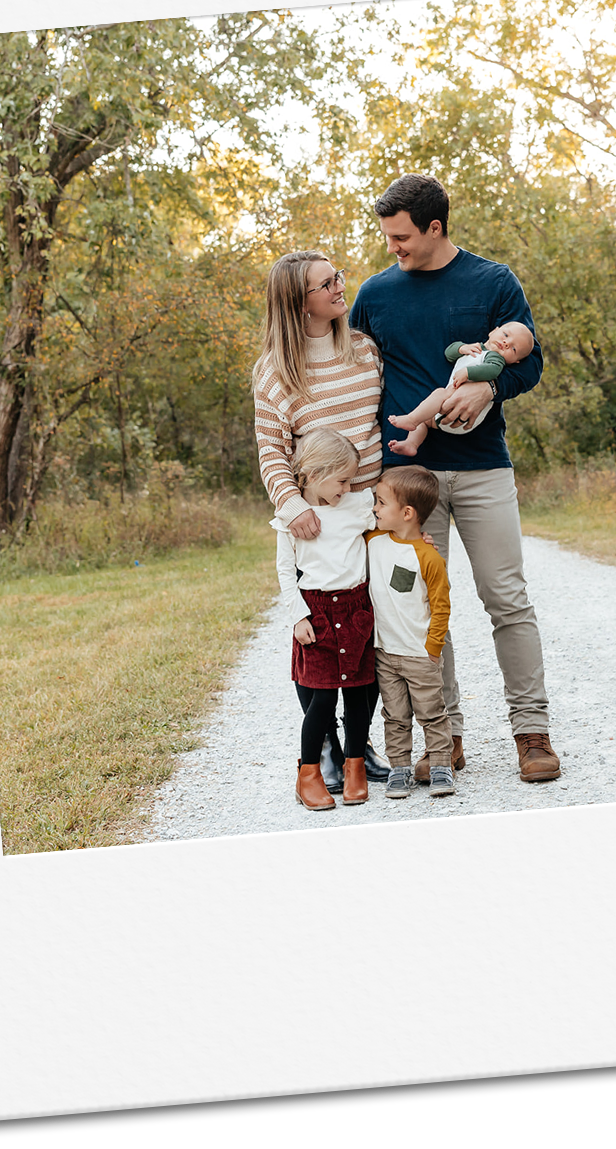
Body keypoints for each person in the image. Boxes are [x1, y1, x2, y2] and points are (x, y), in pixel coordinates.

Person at [347, 174, 560, 784]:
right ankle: (447, 740)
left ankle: (532, 733)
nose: (394, 247)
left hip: (483, 467)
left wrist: (491, 387)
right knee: (418, 606)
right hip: (408, 481)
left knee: (507, 599)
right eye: (388, 237)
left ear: (435, 227)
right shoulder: (374, 294)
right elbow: (357, 376)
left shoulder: (494, 282)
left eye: (402, 236)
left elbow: (530, 363)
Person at [252, 249, 392, 792]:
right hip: (315, 520)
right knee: (317, 636)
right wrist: (294, 508)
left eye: (337, 276)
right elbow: (272, 452)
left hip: (369, 516)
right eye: (326, 283)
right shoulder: (274, 372)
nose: (340, 286)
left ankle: (360, 743)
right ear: (298, 301)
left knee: (365, 635)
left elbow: (378, 425)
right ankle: (327, 744)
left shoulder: (362, 349)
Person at [272, 429, 379, 810]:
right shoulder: (292, 518)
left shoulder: (357, 506)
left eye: (351, 480)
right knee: (320, 700)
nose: (348, 487)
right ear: (315, 473)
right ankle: (309, 773)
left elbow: (386, 532)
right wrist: (298, 616)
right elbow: (286, 573)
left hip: (355, 611)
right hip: (315, 614)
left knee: (358, 698)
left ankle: (355, 769)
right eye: (342, 480)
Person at [365, 466, 455, 798]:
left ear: (406, 513)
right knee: (395, 715)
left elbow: (441, 606)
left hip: (420, 655)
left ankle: (441, 765)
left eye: (380, 502)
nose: (374, 509)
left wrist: (433, 649)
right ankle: (400, 768)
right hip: (386, 654)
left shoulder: (429, 557)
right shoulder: (373, 542)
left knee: (431, 713)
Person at [387, 322, 537, 455]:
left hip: (464, 414)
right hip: (450, 411)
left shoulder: (494, 358)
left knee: (439, 393)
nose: (506, 342)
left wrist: (468, 373)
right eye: (505, 335)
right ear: (493, 331)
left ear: (515, 361)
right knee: (425, 421)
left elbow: (492, 371)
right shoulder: (477, 349)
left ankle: (411, 419)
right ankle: (411, 444)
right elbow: (449, 354)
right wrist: (461, 348)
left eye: (513, 348)